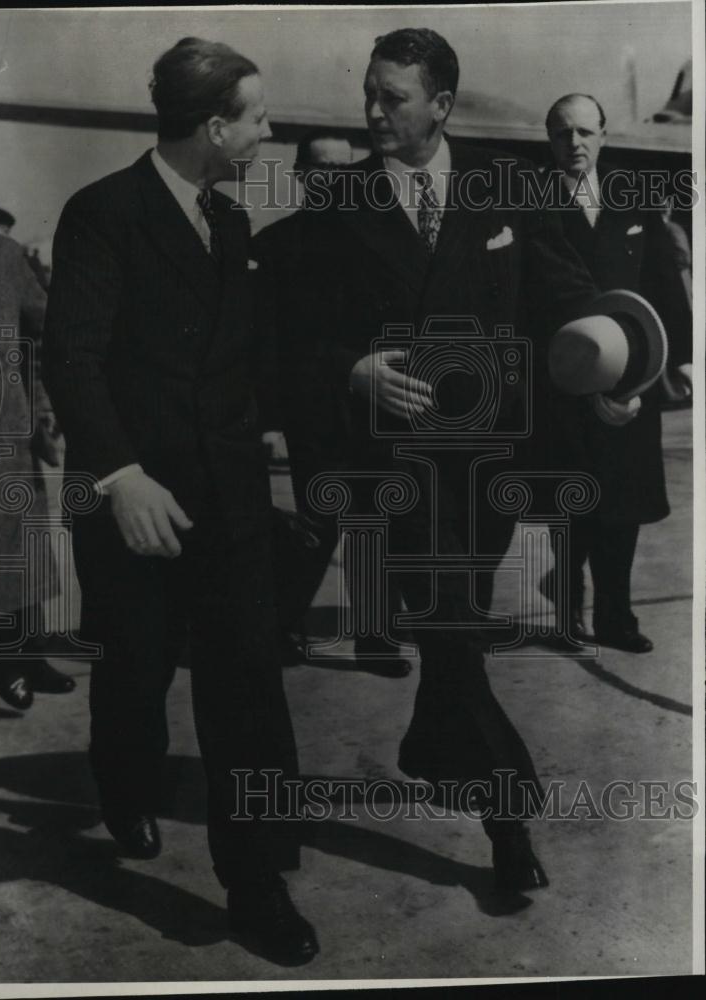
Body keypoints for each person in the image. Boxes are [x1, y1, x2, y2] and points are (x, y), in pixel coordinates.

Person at [293, 27, 603, 892]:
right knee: (455, 631)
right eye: (368, 92)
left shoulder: (504, 189)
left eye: (391, 97)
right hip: (396, 470)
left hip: (491, 464)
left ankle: (431, 743)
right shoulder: (335, 202)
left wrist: (613, 357)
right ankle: (508, 825)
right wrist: (351, 371)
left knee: (448, 632)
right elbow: (291, 333)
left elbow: (561, 291)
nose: (372, 111)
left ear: (440, 103)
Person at [43, 37, 317, 965]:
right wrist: (119, 477)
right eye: (257, 115)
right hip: (136, 503)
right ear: (214, 127)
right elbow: (71, 358)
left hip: (228, 504)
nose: (268, 130)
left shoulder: (232, 225)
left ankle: (254, 884)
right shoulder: (104, 213)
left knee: (245, 688)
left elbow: (248, 365)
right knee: (137, 670)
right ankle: (124, 791)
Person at [254, 130, 413, 677]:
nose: (335, 179)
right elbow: (268, 344)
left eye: (346, 168)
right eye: (322, 169)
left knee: (378, 524)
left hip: (374, 412)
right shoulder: (274, 246)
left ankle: (376, 641)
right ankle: (276, 628)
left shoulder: (379, 240)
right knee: (317, 527)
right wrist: (271, 422)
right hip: (312, 413)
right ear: (301, 174)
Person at [541, 93, 692, 652]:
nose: (574, 143)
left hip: (633, 375)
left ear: (603, 135)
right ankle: (567, 614)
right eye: (562, 134)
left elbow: (661, 282)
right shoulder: (535, 202)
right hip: (568, 374)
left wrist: (679, 361)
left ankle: (616, 617)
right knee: (572, 507)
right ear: (549, 139)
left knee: (621, 507)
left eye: (584, 132)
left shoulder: (634, 196)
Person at [0, 228, 75, 710]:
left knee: (17, 551)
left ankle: (25, 657)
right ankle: (4, 658)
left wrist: (40, 403)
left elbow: (43, 329)